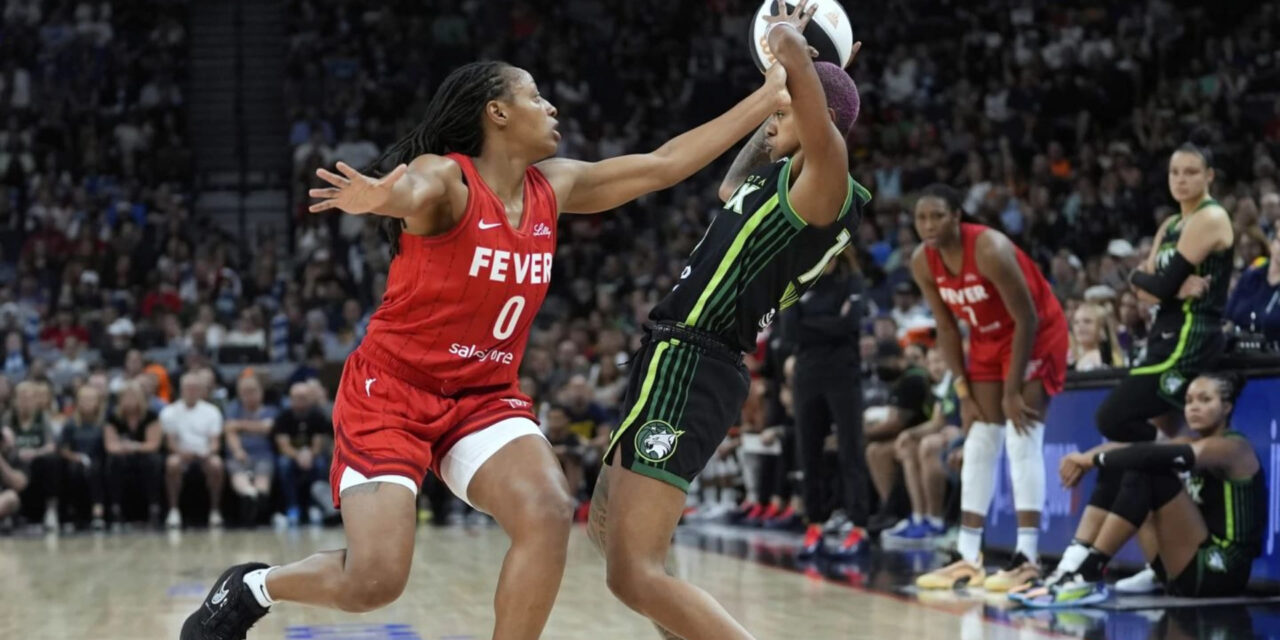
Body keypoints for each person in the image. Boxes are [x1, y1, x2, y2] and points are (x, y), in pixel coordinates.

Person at [183, 51, 790, 639]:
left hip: (482, 396)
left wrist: (766, 98)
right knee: (374, 581)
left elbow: (663, 164)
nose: (551, 107)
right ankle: (252, 588)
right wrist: (381, 199)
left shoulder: (555, 185)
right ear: (497, 112)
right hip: (391, 393)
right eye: (535, 96)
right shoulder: (448, 178)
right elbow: (413, 189)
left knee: (548, 510)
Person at [587, 5, 868, 638]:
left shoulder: (825, 184)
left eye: (783, 113)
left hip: (696, 361)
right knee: (609, 532)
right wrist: (789, 90)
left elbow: (813, 104)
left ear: (818, 118)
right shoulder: (771, 183)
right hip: (672, 356)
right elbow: (729, 184)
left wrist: (788, 41)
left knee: (633, 574)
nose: (772, 122)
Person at [1029, 138, 1234, 596]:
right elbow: (1143, 289)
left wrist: (1156, 283)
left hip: (1191, 339)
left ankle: (1093, 559)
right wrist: (1161, 284)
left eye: (1191, 172)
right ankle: (1088, 562)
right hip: (1163, 334)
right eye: (1175, 172)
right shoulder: (1169, 224)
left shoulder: (1211, 217)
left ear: (1209, 177)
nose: (1181, 180)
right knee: (1124, 456)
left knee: (1112, 418)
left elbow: (1153, 283)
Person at [910, 182, 1069, 592]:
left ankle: (1027, 558)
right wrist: (963, 393)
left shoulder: (990, 248)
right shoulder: (922, 261)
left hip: (1036, 333)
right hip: (986, 338)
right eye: (921, 217)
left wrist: (1012, 391)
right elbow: (946, 328)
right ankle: (968, 557)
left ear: (956, 216)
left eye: (937, 216)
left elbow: (1027, 318)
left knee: (1021, 438)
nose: (928, 225)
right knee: (980, 439)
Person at [1014, 372, 1264, 607]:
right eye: (1188, 401)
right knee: (1122, 463)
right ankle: (1071, 565)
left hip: (1220, 573)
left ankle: (1090, 573)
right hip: (1184, 567)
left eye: (1205, 400)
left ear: (1227, 407)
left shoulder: (1234, 448)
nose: (1193, 407)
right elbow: (1133, 448)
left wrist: (1092, 461)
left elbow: (1151, 455)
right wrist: (1084, 458)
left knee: (1147, 469)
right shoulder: (1193, 441)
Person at [787, 247, 872, 560]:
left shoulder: (852, 281)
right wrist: (833, 322)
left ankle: (859, 527)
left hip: (843, 375)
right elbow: (790, 330)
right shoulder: (797, 283)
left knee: (851, 451)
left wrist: (813, 325)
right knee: (808, 453)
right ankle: (815, 525)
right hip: (807, 376)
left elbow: (851, 323)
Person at [886, 347, 963, 541]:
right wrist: (909, 434)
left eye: (940, 361)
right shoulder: (942, 387)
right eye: (931, 362)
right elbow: (937, 422)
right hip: (946, 437)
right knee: (908, 446)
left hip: (963, 439)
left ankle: (935, 520)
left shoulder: (960, 382)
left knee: (928, 445)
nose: (935, 367)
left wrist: (962, 432)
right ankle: (919, 516)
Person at [161, 373, 225, 529]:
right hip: (181, 454)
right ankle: (174, 510)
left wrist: (207, 453)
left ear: (201, 390)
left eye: (195, 388)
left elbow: (215, 443)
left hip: (205, 454)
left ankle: (215, 510)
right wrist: (181, 453)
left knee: (216, 464)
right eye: (188, 388)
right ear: (180, 390)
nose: (191, 391)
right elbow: (170, 442)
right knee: (172, 464)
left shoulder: (212, 411)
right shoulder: (169, 411)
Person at [272, 382, 332, 525]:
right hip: (291, 456)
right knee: (284, 464)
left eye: (303, 397)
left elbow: (318, 444)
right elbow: (283, 446)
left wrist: (309, 454)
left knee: (320, 464)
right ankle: (292, 506)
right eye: (296, 397)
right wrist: (298, 455)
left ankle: (315, 506)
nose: (300, 401)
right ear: (290, 399)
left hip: (312, 456)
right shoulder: (283, 416)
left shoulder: (317, 416)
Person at [104, 381, 163, 526]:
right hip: (123, 456)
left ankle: (154, 507)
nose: (129, 401)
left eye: (133, 397)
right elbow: (110, 446)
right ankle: (116, 508)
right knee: (115, 461)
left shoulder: (151, 416)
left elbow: (154, 444)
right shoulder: (113, 417)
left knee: (152, 461)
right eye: (126, 397)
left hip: (144, 455)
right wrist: (124, 448)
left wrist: (134, 446)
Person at [223, 375, 279, 525]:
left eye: (253, 391)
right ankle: (248, 495)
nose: (249, 395)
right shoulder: (233, 409)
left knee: (263, 476)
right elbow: (229, 431)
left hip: (263, 455)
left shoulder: (271, 410)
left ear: (261, 392)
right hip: (239, 455)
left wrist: (239, 425)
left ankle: (259, 504)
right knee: (238, 472)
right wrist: (237, 450)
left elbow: (267, 427)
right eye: (245, 392)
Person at [58, 385, 108, 530]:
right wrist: (75, 457)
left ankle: (98, 512)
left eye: (91, 399)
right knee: (74, 470)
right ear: (78, 402)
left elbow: (109, 445)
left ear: (98, 402)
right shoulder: (71, 423)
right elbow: (62, 448)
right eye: (84, 399)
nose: (87, 403)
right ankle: (74, 513)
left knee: (96, 469)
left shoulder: (104, 423)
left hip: (99, 459)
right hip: (76, 459)